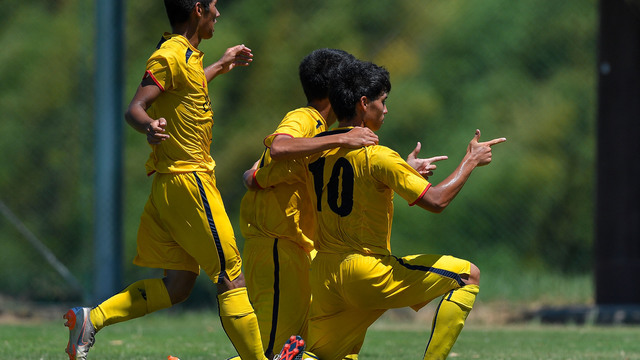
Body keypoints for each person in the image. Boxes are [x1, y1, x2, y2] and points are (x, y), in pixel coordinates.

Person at [244, 59, 506, 360]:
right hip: (366, 273)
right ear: (364, 103)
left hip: (325, 275)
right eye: (383, 101)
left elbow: (254, 176)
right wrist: (470, 160)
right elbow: (436, 201)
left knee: (324, 355)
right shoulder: (379, 157)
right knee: (466, 276)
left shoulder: (314, 151)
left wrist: (404, 170)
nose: (386, 109)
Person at [63, 1, 277, 359]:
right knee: (230, 273)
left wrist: (221, 65)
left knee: (178, 285)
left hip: (170, 187)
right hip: (188, 181)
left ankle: (91, 319)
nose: (218, 13)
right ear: (197, 9)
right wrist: (149, 126)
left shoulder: (187, 56)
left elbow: (185, 90)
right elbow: (135, 107)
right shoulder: (169, 55)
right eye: (213, 6)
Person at [238, 48, 379, 360]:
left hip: (294, 249)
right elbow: (279, 147)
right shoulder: (305, 118)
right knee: (275, 352)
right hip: (276, 246)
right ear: (334, 90)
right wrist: (341, 139)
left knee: (296, 347)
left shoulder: (319, 134)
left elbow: (252, 174)